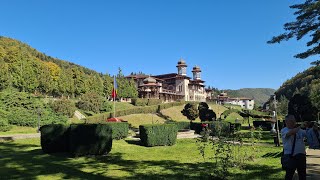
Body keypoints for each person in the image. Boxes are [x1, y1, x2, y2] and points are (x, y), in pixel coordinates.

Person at [281, 114, 307, 180]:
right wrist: (300, 126)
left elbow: (307, 134)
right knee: (289, 176)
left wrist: (312, 128)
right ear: (286, 122)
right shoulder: (284, 130)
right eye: (291, 120)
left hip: (301, 156)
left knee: (303, 175)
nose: (294, 122)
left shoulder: (299, 130)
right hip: (291, 157)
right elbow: (291, 133)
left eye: (294, 120)